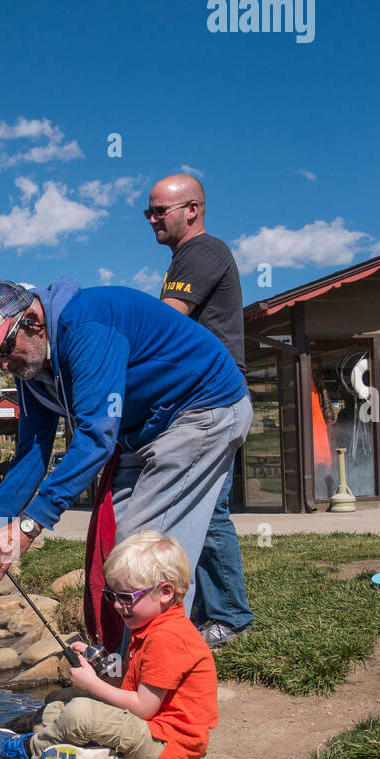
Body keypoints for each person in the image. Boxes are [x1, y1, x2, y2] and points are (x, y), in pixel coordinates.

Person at [0, 278, 252, 627]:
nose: (2, 365)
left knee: (140, 551)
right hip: (143, 429)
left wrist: (28, 525)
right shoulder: (30, 368)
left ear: (33, 321)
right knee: (114, 543)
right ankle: (134, 653)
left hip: (203, 407)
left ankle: (162, 658)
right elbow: (32, 451)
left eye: (3, 349)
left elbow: (95, 437)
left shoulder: (87, 325)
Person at [0, 531, 218, 759]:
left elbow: (144, 708)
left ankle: (29, 750)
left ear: (166, 592)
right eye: (113, 596)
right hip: (150, 729)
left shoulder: (168, 637)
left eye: (126, 597)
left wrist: (93, 685)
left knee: (80, 712)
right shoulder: (149, 625)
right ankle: (87, 756)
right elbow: (129, 682)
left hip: (167, 744)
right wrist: (102, 663)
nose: (117, 605)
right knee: (60, 702)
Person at [147, 173, 253, 648]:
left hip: (214, 396)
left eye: (158, 211)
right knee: (208, 507)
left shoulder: (202, 252)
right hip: (204, 395)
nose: (151, 220)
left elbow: (167, 322)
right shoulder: (185, 257)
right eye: (147, 212)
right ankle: (215, 613)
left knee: (209, 510)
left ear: (192, 209)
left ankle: (228, 617)